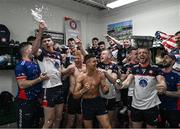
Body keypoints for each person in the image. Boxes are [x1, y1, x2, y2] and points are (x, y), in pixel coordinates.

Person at [32, 20, 74, 129]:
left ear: (52, 42)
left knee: (59, 118)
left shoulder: (58, 55)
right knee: (49, 120)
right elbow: (34, 50)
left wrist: (69, 68)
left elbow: (61, 71)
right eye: (44, 41)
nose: (46, 42)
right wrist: (40, 32)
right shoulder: (42, 54)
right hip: (48, 89)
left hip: (59, 88)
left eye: (48, 40)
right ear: (42, 44)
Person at [119, 48, 167, 128]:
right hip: (136, 106)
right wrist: (120, 83)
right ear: (137, 55)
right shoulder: (134, 69)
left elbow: (161, 81)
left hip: (151, 106)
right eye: (139, 53)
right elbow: (127, 82)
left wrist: (163, 86)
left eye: (144, 53)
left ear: (149, 55)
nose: (141, 54)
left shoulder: (155, 69)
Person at [15, 42, 49, 128]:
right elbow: (22, 84)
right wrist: (39, 79)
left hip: (36, 100)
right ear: (27, 51)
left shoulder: (34, 63)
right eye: (32, 48)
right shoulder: (21, 65)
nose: (35, 50)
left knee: (35, 125)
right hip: (25, 101)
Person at [73, 54, 111, 129]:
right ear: (87, 63)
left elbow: (104, 91)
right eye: (94, 62)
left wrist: (106, 89)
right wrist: (83, 90)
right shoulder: (81, 76)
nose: (96, 63)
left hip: (98, 101)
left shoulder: (100, 74)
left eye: (96, 61)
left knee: (107, 126)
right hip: (86, 103)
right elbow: (75, 95)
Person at [97, 50, 118, 128]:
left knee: (110, 119)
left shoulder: (114, 66)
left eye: (103, 54)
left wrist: (105, 73)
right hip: (99, 96)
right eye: (101, 54)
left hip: (111, 97)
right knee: (101, 120)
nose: (101, 55)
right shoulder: (97, 64)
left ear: (109, 56)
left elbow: (114, 80)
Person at [158, 52, 180, 128]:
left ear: (173, 61)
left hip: (173, 109)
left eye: (167, 57)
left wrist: (165, 92)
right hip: (159, 108)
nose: (164, 59)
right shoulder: (158, 72)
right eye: (163, 57)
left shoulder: (177, 74)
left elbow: (179, 93)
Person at [66, 51, 86, 129]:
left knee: (80, 122)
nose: (77, 60)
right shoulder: (71, 67)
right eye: (75, 58)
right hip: (72, 96)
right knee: (70, 122)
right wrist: (68, 73)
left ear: (83, 59)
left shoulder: (86, 68)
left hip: (82, 97)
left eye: (79, 58)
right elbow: (63, 77)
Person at [120, 47, 138, 128]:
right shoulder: (126, 66)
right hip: (129, 94)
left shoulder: (143, 65)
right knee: (131, 117)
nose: (138, 56)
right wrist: (127, 75)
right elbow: (121, 80)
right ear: (130, 55)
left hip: (141, 95)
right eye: (136, 54)